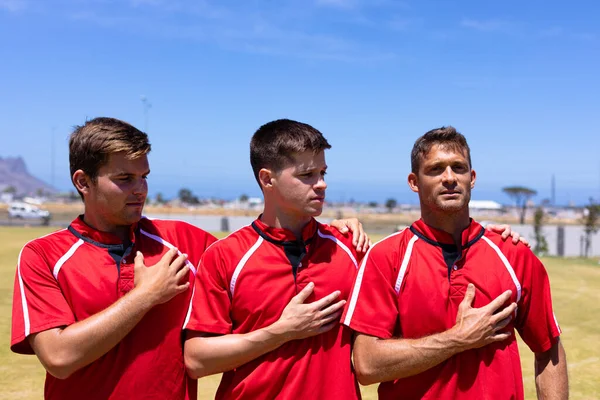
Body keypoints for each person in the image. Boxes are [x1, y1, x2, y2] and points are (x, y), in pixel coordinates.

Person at [10, 117, 368, 400]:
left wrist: (333, 229)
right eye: (124, 179)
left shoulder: (183, 240)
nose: (140, 190)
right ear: (82, 182)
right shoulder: (43, 255)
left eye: (144, 177)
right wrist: (145, 296)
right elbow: (58, 358)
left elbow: (257, 249)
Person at [182, 119, 527, 399]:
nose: (321, 185)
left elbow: (417, 256)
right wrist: (279, 332)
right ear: (266, 179)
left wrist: (488, 235)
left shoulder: (353, 248)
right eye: (307, 175)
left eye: (323, 173)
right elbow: (196, 359)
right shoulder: (226, 256)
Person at [343, 126, 568, 400]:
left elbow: (548, 349)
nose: (449, 178)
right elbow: (366, 365)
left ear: (471, 178)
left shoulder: (513, 254)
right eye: (436, 169)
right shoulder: (385, 257)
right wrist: (456, 339)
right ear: (414, 182)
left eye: (458, 168)